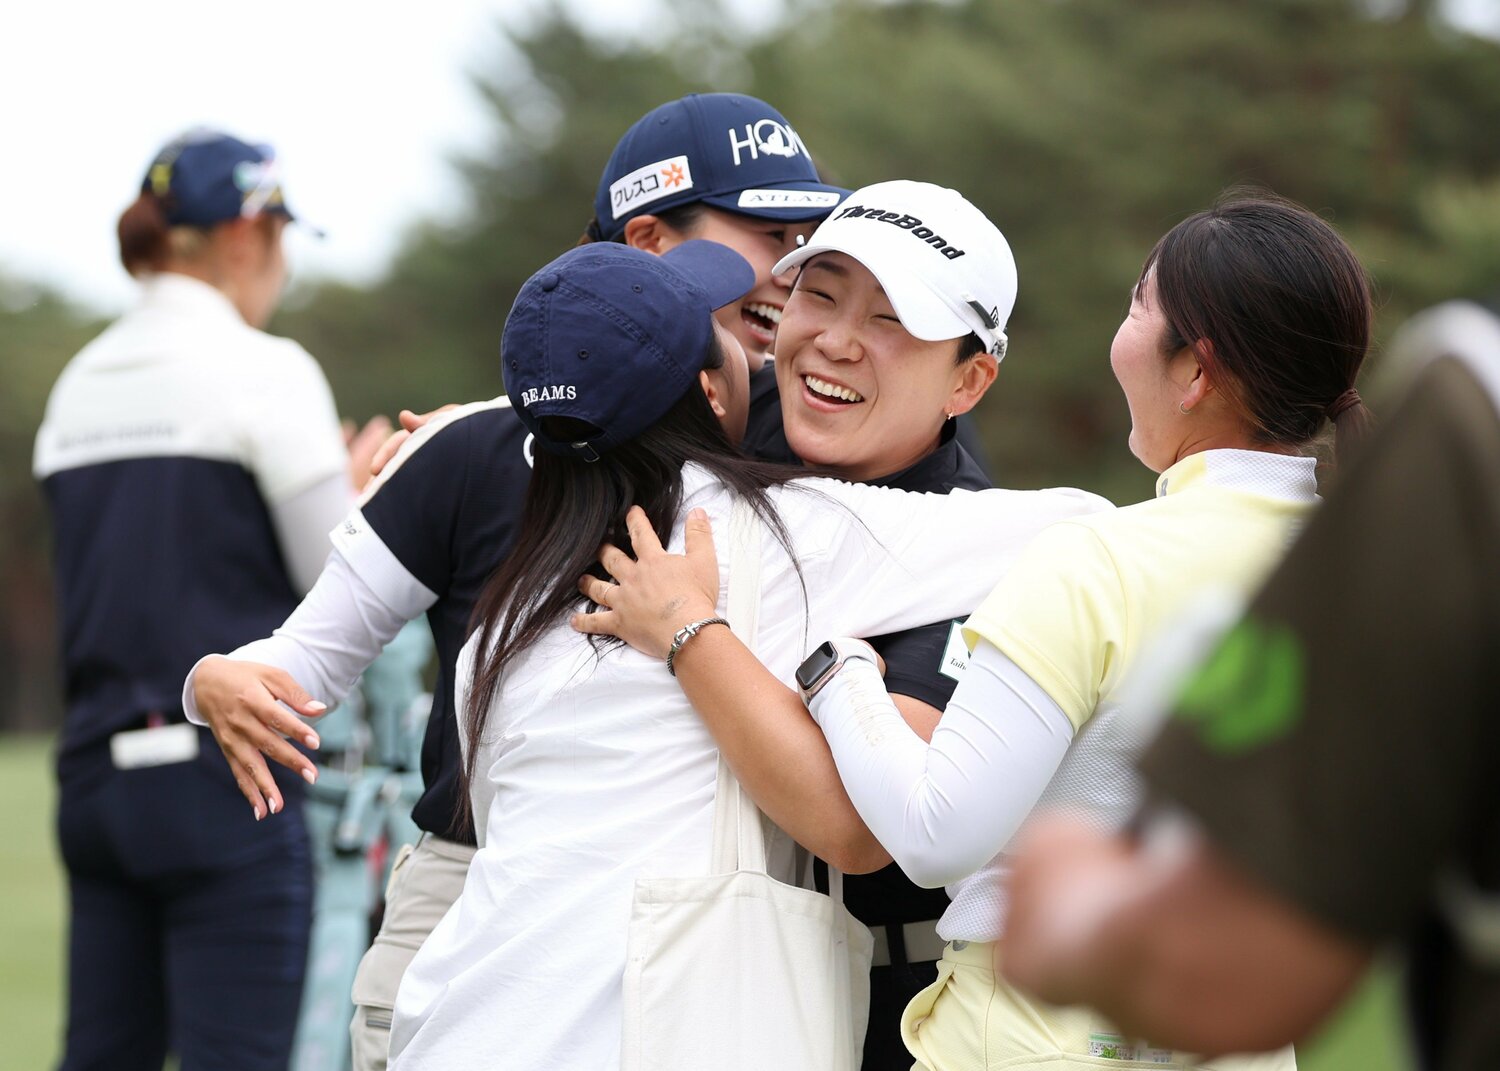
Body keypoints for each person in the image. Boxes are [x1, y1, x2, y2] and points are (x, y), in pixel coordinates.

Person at [584, 193, 1372, 1069]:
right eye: (821, 294)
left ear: (1194, 373)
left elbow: (920, 834)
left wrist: (825, 669)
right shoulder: (1369, 574)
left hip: (1030, 1027)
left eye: (1137, 306)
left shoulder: (1082, 556)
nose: (840, 340)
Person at [184, 92, 852, 1071]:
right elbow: (299, 660)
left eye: (809, 232)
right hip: (473, 892)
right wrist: (216, 677)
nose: (795, 263)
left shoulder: (818, 449)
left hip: (725, 910)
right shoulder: (473, 447)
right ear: (650, 239)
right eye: (768, 229)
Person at [385, 239, 1107, 1068]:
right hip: (644, 1028)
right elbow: (1079, 525)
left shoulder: (503, 616)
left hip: (456, 1019)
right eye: (728, 334)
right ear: (706, 387)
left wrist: (477, 429)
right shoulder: (778, 534)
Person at [579, 177, 1014, 1069]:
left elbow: (865, 828)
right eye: (819, 294)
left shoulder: (982, 541)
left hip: (898, 1007)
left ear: (968, 378)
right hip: (684, 968)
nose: (838, 341)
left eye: (892, 321)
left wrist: (689, 632)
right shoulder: (745, 423)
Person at [997, 310, 1500, 1071]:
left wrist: (1064, 901)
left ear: (1197, 370)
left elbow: (1226, 966)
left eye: (1136, 305)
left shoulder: (1477, 395)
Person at [33, 128, 382, 1070]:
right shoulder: (266, 369)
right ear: (243, 233)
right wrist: (355, 504)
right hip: (227, 778)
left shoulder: (76, 387)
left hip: (95, 786)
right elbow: (339, 581)